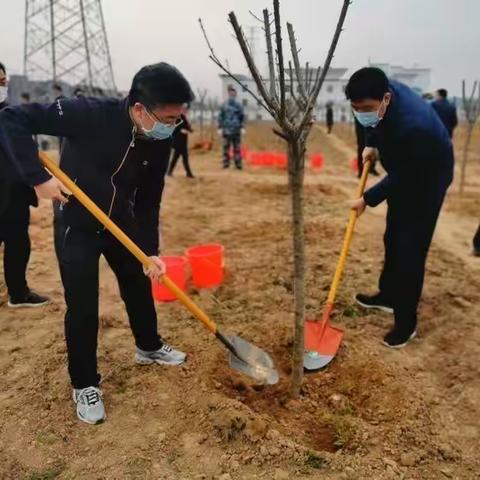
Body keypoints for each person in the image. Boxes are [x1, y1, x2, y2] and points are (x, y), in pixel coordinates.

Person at [0, 62, 195, 425]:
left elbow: (150, 199)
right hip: (78, 223)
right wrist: (36, 179)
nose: (173, 125)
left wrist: (150, 250)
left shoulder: (160, 140)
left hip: (121, 221)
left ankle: (148, 346)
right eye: (168, 118)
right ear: (140, 109)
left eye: (178, 119)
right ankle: (84, 383)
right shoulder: (87, 114)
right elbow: (11, 119)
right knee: (83, 304)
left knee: (138, 283)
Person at [346, 67, 454, 348]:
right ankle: (388, 295)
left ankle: (406, 325)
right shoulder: (379, 94)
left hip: (427, 178)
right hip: (406, 167)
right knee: (393, 235)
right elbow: (372, 124)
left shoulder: (414, 125)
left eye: (366, 108)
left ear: (385, 98)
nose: (361, 112)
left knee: (411, 249)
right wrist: (371, 144)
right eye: (356, 108)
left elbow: (407, 174)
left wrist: (367, 200)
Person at [0, 62, 50, 308]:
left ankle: (18, 293)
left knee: (18, 244)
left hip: (15, 193)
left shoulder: (11, 114)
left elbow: (24, 152)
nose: (2, 86)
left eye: (3, 81)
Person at [218, 85, 245, 170]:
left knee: (237, 148)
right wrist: (220, 127)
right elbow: (220, 116)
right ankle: (226, 164)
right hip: (226, 130)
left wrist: (242, 127)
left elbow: (242, 117)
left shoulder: (239, 105)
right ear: (228, 93)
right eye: (230, 91)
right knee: (226, 148)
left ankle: (238, 164)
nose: (232, 93)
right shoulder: (224, 105)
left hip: (236, 130)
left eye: (233, 91)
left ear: (235, 93)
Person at [168, 110, 194, 178]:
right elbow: (174, 129)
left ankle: (169, 172)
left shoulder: (184, 118)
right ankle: (189, 173)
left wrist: (189, 130)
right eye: (184, 110)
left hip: (183, 141)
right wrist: (181, 131)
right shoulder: (177, 118)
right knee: (184, 157)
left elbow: (188, 128)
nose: (186, 111)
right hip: (178, 141)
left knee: (176, 157)